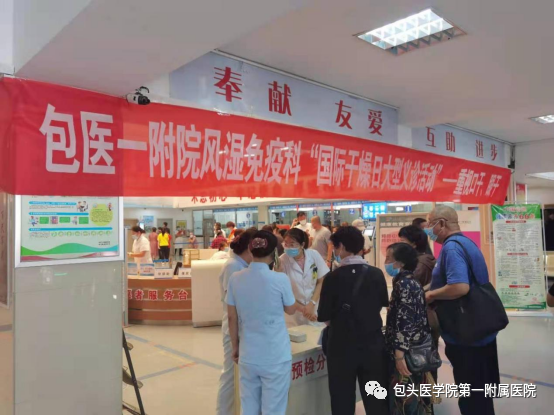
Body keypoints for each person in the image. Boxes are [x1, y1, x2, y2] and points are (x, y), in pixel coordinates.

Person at [425, 206, 500, 415]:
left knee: (471, 393)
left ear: (441, 223)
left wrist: (430, 296)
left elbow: (459, 287)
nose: (429, 229)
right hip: (481, 329)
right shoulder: (466, 243)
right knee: (481, 391)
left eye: (430, 224)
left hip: (467, 333)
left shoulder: (451, 248)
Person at [317, 226, 389, 415]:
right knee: (376, 397)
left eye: (335, 247)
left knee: (342, 397)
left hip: (341, 346)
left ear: (341, 246)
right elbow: (383, 303)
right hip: (372, 344)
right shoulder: (376, 274)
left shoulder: (332, 278)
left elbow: (324, 316)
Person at [226, 230, 297, 415]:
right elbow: (291, 309)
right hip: (275, 355)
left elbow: (232, 317)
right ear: (274, 253)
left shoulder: (235, 278)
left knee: (249, 408)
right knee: (273, 409)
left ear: (250, 250)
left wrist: (235, 347)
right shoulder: (280, 279)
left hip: (248, 354)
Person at [385, 242, 434, 415]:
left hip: (408, 352)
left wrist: (399, 355)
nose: (386, 262)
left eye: (389, 258)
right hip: (414, 348)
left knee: (405, 399)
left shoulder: (405, 284)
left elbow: (405, 322)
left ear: (401, 262)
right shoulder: (409, 281)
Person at [216, 230, 256, 415]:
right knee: (230, 377)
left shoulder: (243, 265)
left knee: (239, 377)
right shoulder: (233, 266)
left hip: (243, 328)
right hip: (234, 329)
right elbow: (233, 304)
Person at [278, 228, 329, 326]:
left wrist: (312, 303)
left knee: (315, 333)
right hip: (294, 313)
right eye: (286, 244)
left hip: (314, 308)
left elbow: (320, 281)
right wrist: (303, 309)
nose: (288, 247)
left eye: (292, 244)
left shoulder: (314, 255)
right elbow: (283, 291)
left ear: (302, 245)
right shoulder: (282, 261)